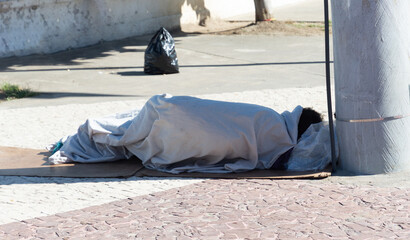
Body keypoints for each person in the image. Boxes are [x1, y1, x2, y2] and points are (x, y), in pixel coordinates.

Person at [49, 94, 322, 173]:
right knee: (138, 133)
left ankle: (93, 134)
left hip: (175, 111)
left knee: (134, 129)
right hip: (180, 125)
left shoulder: (268, 117)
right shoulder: (277, 140)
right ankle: (98, 136)